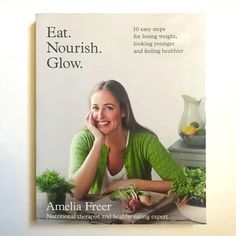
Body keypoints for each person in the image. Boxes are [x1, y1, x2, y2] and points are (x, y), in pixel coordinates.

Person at [69, 80, 184, 199]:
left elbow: (181, 184)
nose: (100, 116)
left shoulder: (145, 141)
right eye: (95, 108)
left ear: (123, 111)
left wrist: (133, 183)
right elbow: (76, 192)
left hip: (139, 215)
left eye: (109, 108)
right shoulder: (82, 139)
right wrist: (98, 141)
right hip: (92, 215)